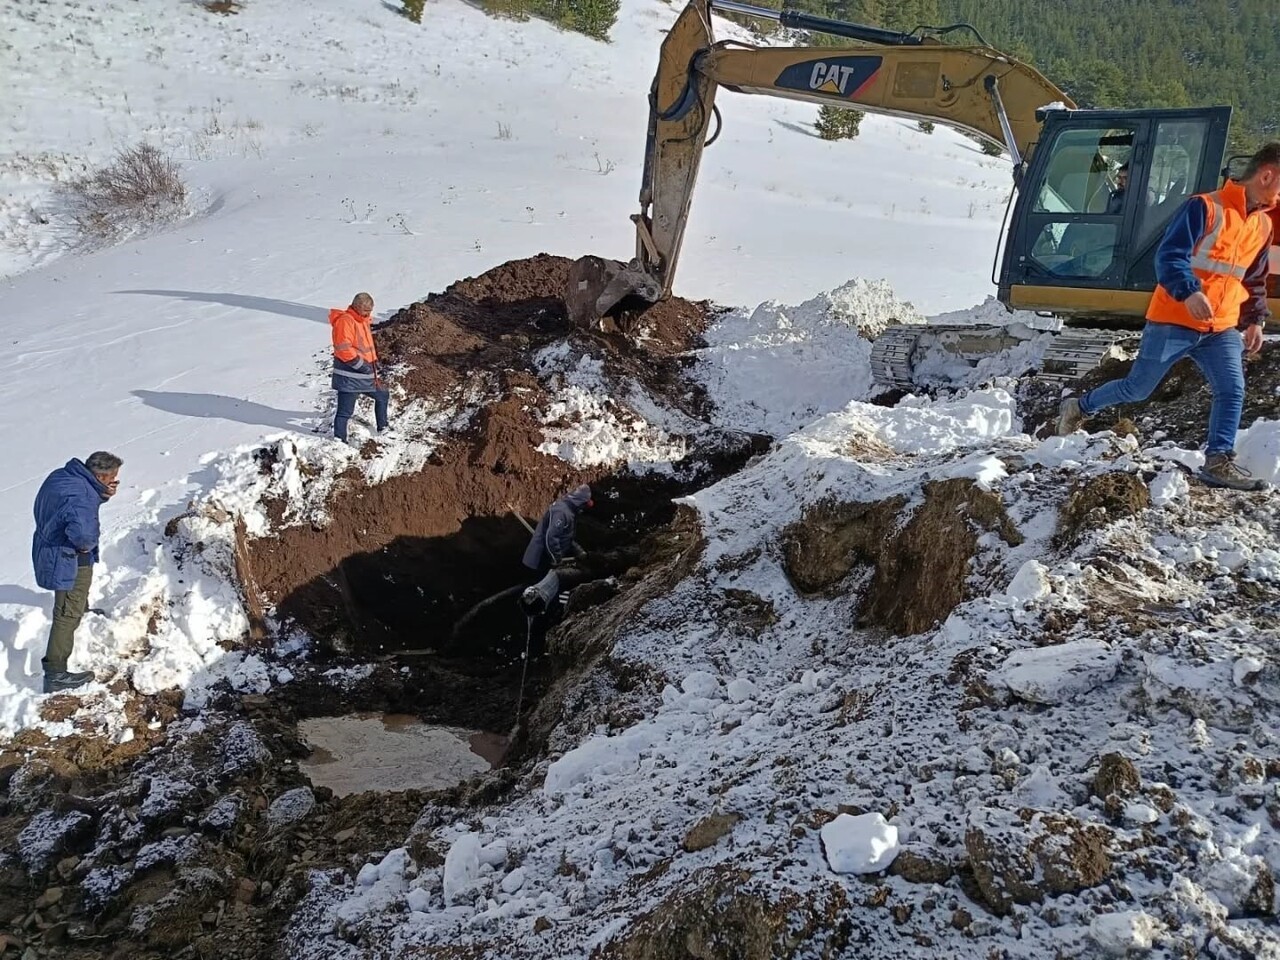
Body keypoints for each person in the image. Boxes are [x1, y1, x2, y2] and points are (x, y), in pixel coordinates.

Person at [1058, 142, 1280, 491]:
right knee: (1137, 387)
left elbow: (1252, 278)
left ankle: (1218, 460)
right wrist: (1190, 292)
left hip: (1219, 326)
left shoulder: (1262, 225)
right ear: (1267, 175)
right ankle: (1080, 407)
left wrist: (1254, 319)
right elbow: (1169, 256)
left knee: (1232, 389)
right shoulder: (1205, 207)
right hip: (1174, 319)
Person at [31, 452, 122, 693]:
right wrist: (85, 546)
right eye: (113, 478)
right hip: (68, 557)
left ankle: (81, 607)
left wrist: (102, 494)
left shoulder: (64, 477)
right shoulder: (81, 497)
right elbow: (83, 534)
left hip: (48, 544)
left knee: (75, 597)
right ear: (100, 476)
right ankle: (56, 673)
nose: (115, 481)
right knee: (65, 614)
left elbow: (70, 506)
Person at [330, 292, 389, 443]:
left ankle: (383, 427)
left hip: (365, 376)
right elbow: (343, 349)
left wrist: (372, 366)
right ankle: (339, 440)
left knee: (382, 395)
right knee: (344, 412)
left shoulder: (362, 320)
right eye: (366, 310)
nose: (369, 313)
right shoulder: (345, 321)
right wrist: (362, 366)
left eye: (370, 310)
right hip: (350, 377)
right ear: (356, 307)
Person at [521, 484, 593, 580]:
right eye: (584, 505)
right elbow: (550, 538)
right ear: (579, 502)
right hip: (539, 561)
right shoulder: (562, 512)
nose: (584, 508)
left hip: (548, 559)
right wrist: (557, 559)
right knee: (539, 589)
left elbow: (566, 536)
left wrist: (578, 551)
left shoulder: (570, 511)